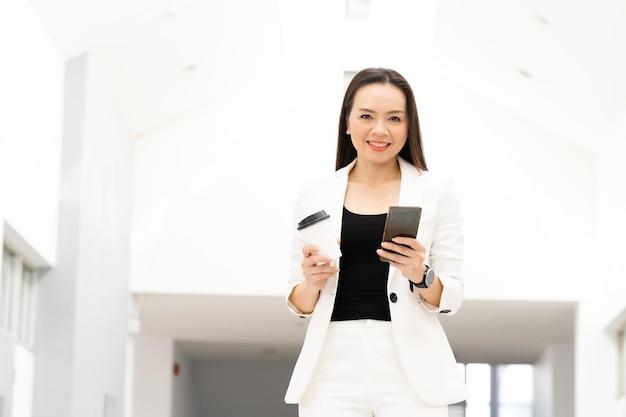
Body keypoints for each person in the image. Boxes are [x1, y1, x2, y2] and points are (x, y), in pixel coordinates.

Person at [284, 67, 468, 416]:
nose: (380, 130)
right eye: (366, 116)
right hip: (331, 367)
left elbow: (453, 295)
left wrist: (420, 273)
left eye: (394, 118)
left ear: (409, 126)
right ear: (348, 122)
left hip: (412, 368)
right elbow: (297, 300)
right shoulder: (315, 194)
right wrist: (311, 283)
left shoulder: (436, 192)